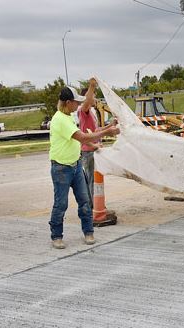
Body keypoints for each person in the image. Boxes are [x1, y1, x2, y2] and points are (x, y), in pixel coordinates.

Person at [49, 85, 120, 249]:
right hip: (61, 168)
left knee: (85, 200)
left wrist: (94, 145)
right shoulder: (60, 119)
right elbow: (81, 136)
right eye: (76, 102)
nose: (78, 105)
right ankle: (56, 236)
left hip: (75, 165)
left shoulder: (69, 117)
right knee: (61, 204)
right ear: (68, 103)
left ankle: (88, 232)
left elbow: (79, 138)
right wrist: (106, 134)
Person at [78, 78, 113, 208]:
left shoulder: (92, 113)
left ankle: (94, 206)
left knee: (94, 179)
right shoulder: (83, 111)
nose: (95, 98)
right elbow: (86, 101)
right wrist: (91, 86)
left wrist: (110, 128)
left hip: (94, 150)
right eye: (93, 96)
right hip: (88, 151)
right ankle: (93, 208)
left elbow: (96, 130)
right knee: (92, 181)